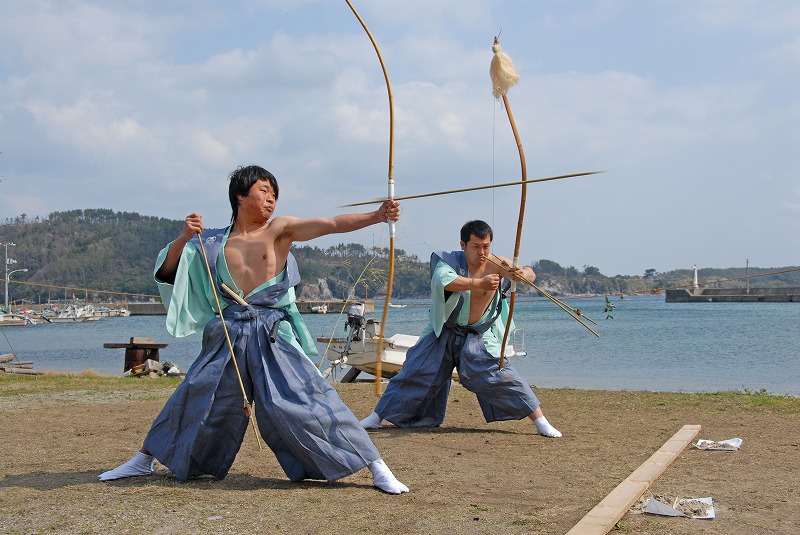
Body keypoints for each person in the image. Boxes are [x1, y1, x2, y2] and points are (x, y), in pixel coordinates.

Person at [98, 165, 408, 494]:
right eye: (264, 191)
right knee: (195, 395)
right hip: (228, 333)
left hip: (272, 333)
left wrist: (376, 216)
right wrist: (184, 237)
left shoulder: (280, 230)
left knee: (309, 398)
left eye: (275, 193)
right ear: (240, 195)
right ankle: (145, 458)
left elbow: (330, 225)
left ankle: (375, 464)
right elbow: (171, 272)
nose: (271, 198)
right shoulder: (212, 243)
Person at [360, 220, 561, 438]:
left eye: (486, 246)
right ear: (463, 245)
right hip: (443, 330)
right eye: (476, 247)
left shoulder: (497, 263)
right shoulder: (447, 261)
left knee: (499, 373)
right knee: (416, 370)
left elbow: (530, 274)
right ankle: (377, 417)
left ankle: (540, 421)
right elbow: (444, 281)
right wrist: (479, 283)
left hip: (479, 333)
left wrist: (521, 273)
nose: (482, 252)